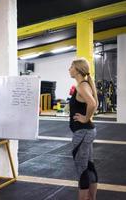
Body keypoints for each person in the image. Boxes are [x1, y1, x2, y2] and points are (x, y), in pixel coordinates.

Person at [68, 58, 98, 200]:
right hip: (87, 132)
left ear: (78, 70)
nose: (69, 69)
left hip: (83, 132)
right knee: (89, 166)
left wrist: (86, 118)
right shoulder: (85, 84)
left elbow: (92, 103)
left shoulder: (81, 86)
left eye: (71, 67)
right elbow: (94, 103)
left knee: (82, 170)